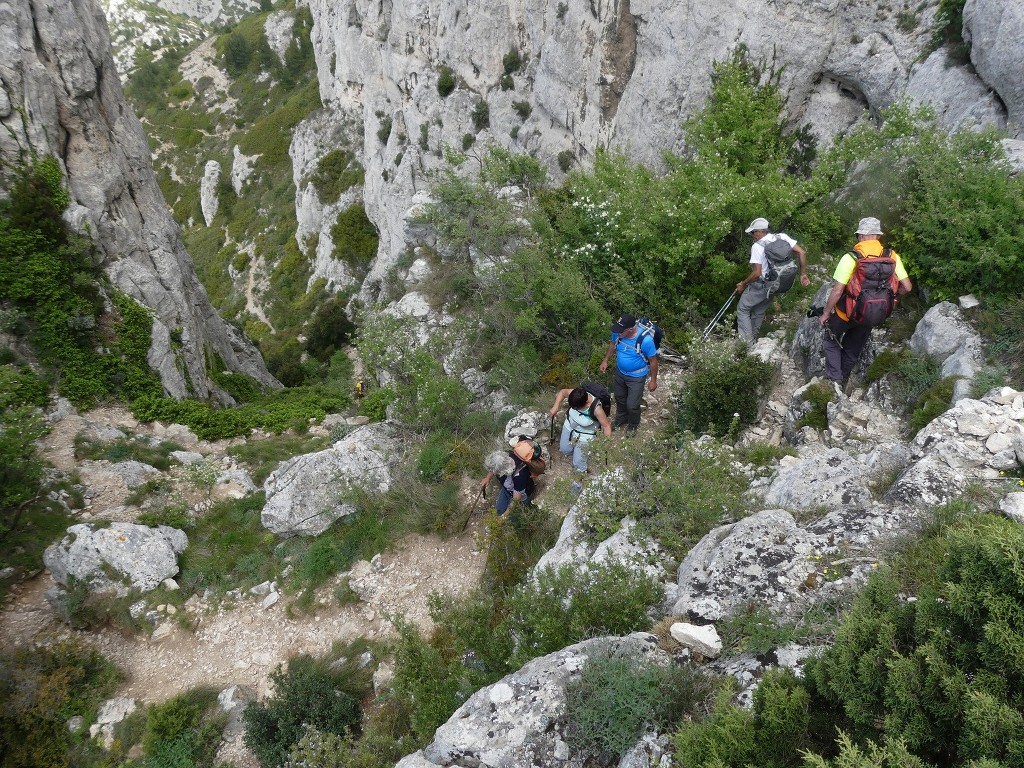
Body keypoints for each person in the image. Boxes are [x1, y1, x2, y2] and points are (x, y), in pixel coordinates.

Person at [818, 217, 912, 390]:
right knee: (852, 349)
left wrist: (825, 313)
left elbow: (838, 290)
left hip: (844, 314)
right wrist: (893, 300)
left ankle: (834, 381)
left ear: (861, 236)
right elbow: (907, 286)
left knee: (830, 340)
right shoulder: (892, 256)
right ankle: (843, 381)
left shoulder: (851, 258)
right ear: (878, 236)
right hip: (870, 315)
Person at [735, 217, 810, 342]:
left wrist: (743, 284)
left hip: (762, 284)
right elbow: (801, 252)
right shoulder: (782, 237)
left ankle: (747, 345)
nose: (752, 236)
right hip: (777, 284)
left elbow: (757, 274)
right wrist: (803, 274)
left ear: (760, 231)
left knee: (743, 309)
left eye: (753, 232)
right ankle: (752, 339)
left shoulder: (757, 246)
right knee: (759, 310)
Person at [599, 314, 658, 435]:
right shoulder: (618, 333)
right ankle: (622, 417)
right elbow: (612, 345)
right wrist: (605, 360)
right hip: (620, 372)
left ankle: (633, 424)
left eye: (621, 331)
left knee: (632, 405)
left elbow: (653, 361)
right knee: (620, 397)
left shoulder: (645, 341)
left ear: (630, 329)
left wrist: (653, 381)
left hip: (637, 376)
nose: (617, 333)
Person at [549, 385, 613, 488]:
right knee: (565, 449)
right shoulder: (576, 393)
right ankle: (579, 460)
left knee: (579, 464)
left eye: (576, 407)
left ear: (586, 403)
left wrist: (606, 442)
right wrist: (556, 405)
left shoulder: (597, 409)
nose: (574, 408)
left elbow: (606, 426)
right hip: (570, 425)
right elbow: (562, 392)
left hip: (586, 435)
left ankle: (577, 484)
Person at [479, 437, 537, 516]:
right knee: (498, 510)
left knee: (512, 518)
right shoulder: (504, 456)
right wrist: (488, 478)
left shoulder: (520, 476)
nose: (495, 472)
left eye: (497, 472)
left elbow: (516, 499)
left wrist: (505, 516)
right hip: (507, 490)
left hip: (521, 495)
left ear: (504, 471)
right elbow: (494, 468)